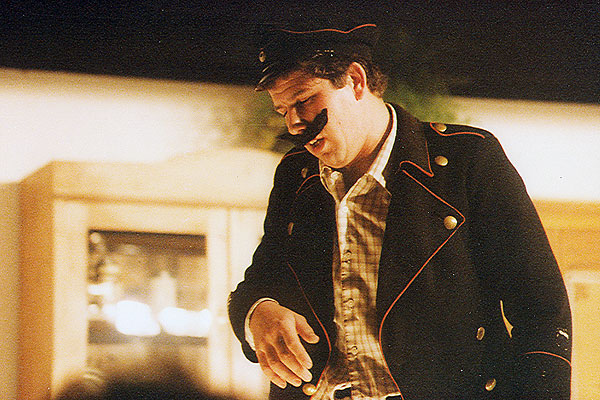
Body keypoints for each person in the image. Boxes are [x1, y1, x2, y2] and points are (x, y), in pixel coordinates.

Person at [228, 23, 572, 400]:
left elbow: (542, 312)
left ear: (355, 80)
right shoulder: (296, 175)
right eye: (283, 111)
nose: (294, 124)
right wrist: (257, 312)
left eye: (304, 100)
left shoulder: (469, 160)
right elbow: (260, 280)